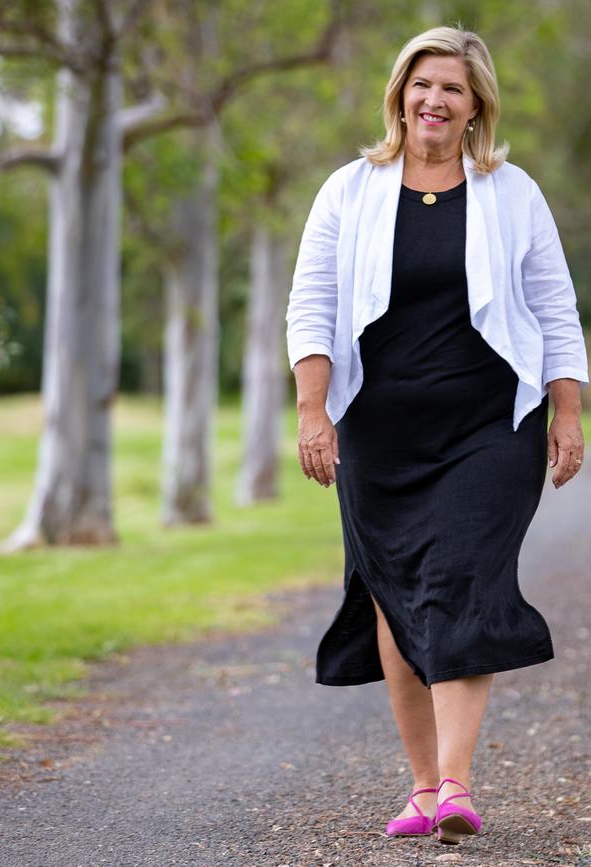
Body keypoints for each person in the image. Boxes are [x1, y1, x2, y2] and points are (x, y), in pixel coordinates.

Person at [285, 25, 589, 846]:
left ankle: (456, 781)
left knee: (461, 576)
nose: (434, 100)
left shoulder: (511, 191)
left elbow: (554, 307)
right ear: (399, 94)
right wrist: (313, 410)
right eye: (422, 84)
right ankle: (423, 787)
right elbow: (311, 305)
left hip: (491, 424)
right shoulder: (350, 188)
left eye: (452, 88)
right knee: (394, 593)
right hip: (379, 430)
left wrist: (568, 410)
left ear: (475, 104)